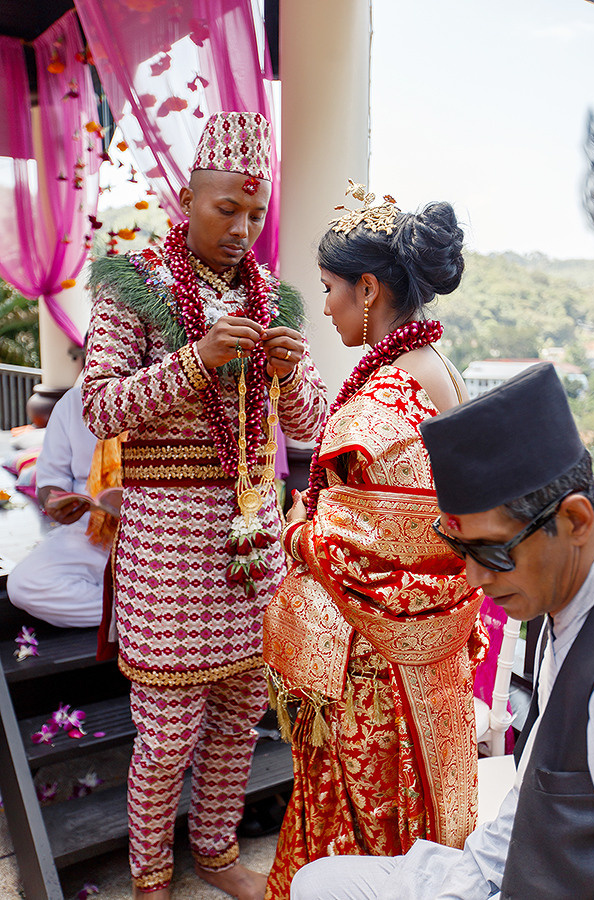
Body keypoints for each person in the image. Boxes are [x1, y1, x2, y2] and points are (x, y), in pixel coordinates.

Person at [82, 111, 327, 900]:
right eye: (227, 209)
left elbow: (317, 426)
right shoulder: (134, 282)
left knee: (237, 724)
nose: (242, 228)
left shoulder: (273, 296)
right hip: (167, 552)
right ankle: (151, 872)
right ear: (188, 197)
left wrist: (289, 377)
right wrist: (194, 360)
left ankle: (216, 852)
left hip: (253, 549)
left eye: (255, 213)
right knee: (165, 740)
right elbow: (99, 409)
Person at [290, 360, 594, 900]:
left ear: (574, 522)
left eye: (491, 551)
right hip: (506, 871)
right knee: (319, 882)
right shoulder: (565, 594)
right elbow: (536, 799)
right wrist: (461, 880)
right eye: (459, 551)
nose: (475, 579)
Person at [262, 184, 487, 898]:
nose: (324, 305)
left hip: (376, 675)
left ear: (367, 287)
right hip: (436, 658)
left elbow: (359, 557)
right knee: (431, 826)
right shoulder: (441, 374)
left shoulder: (379, 406)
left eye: (329, 288)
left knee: (367, 841)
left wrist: (296, 531)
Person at [6, 381, 112, 628]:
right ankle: (138, 613)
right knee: (25, 585)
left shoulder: (169, 394)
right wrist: (54, 502)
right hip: (91, 534)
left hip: (162, 536)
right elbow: (50, 480)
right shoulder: (74, 402)